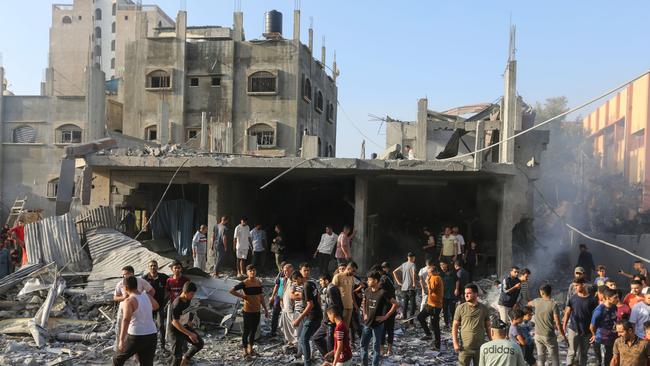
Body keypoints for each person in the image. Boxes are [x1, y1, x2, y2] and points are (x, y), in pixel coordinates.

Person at [112, 276, 160, 366]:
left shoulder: (129, 301)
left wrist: (121, 340)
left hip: (136, 335)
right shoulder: (147, 296)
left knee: (118, 358)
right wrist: (145, 310)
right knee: (147, 363)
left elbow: (126, 319)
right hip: (152, 333)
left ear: (125, 288)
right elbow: (156, 306)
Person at [360, 270, 398, 366]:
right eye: (368, 280)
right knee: (363, 345)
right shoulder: (367, 291)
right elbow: (364, 302)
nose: (368, 282)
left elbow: (395, 303)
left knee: (376, 348)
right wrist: (364, 313)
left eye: (370, 280)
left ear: (376, 281)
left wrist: (386, 316)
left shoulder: (383, 292)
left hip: (378, 325)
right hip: (367, 323)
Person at [230, 264, 268, 358]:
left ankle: (251, 349)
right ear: (247, 272)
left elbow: (261, 296)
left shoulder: (258, 282)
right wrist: (243, 296)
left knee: (254, 330)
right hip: (247, 310)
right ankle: (245, 350)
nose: (252, 272)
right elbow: (231, 290)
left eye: (254, 270)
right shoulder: (245, 282)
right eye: (250, 270)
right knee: (246, 331)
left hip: (257, 310)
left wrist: (265, 309)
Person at [113, 266, 155, 352]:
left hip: (136, 308)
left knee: (132, 330)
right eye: (123, 275)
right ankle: (119, 348)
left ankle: (134, 352)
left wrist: (146, 299)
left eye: (127, 274)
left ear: (132, 273)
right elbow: (115, 297)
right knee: (120, 328)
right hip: (123, 308)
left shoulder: (140, 281)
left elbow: (152, 291)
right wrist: (123, 297)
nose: (125, 276)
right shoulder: (120, 283)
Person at [453, 284, 492, 366]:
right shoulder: (460, 308)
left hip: (480, 348)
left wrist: (492, 341)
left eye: (469, 293)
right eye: (465, 293)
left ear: (476, 294)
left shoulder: (484, 309)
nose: (466, 295)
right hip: (465, 349)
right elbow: (455, 326)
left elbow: (488, 327)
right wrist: (455, 343)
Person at [562, 277, 598, 366]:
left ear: (583, 285)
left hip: (587, 331)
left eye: (577, 285)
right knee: (571, 352)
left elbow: (596, 317)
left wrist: (594, 332)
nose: (575, 287)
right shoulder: (573, 298)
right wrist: (564, 326)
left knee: (583, 353)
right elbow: (567, 312)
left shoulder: (592, 300)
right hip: (573, 329)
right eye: (574, 286)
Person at [529, 284, 566, 366]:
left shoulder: (537, 301)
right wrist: (563, 335)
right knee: (555, 359)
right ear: (550, 292)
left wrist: (531, 313)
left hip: (538, 335)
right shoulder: (553, 305)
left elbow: (528, 304)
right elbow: (558, 323)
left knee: (541, 358)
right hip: (549, 336)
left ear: (541, 293)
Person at [291, 270, 323, 366]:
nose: (296, 284)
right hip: (318, 314)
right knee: (316, 337)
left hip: (312, 316)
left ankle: (307, 363)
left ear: (299, 278)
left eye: (296, 281)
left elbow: (310, 305)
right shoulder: (312, 284)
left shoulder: (306, 286)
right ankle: (327, 356)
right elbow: (318, 298)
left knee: (303, 339)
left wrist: (298, 319)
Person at [170, 282, 204, 366]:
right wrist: (190, 334)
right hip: (175, 330)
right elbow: (174, 322)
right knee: (177, 357)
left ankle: (185, 359)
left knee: (199, 343)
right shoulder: (177, 304)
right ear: (185, 292)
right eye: (191, 294)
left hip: (184, 326)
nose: (192, 296)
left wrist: (189, 321)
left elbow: (188, 311)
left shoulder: (188, 299)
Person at [313, 273, 343, 358]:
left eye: (321, 281)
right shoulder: (329, 289)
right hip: (327, 321)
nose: (320, 283)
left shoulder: (331, 289)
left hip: (331, 322)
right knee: (316, 338)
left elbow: (335, 306)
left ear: (326, 280)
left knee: (331, 345)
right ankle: (328, 357)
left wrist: (332, 320)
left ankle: (331, 359)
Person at [141, 260, 169, 350]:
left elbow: (170, 286)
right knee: (147, 325)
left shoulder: (163, 277)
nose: (153, 267)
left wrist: (166, 298)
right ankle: (147, 345)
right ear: (148, 267)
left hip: (160, 305)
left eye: (154, 265)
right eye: (151, 266)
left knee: (161, 325)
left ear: (157, 267)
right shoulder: (144, 278)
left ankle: (162, 345)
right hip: (148, 306)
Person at [417, 263, 443, 349]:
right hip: (430, 304)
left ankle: (437, 345)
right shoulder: (432, 277)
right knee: (420, 317)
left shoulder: (436, 278)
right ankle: (428, 334)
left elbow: (431, 291)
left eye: (429, 273)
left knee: (435, 325)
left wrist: (427, 282)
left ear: (434, 272)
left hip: (435, 306)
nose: (428, 275)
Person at [590, 287, 619, 366]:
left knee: (610, 360)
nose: (618, 299)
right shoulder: (599, 311)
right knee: (603, 362)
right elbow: (592, 326)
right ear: (608, 298)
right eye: (615, 297)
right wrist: (594, 335)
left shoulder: (614, 307)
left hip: (612, 339)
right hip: (602, 340)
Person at [165, 261, 189, 346]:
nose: (177, 269)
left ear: (181, 269)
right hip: (173, 306)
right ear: (172, 269)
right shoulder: (169, 280)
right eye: (175, 268)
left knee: (183, 325)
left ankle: (184, 346)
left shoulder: (185, 280)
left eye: (179, 268)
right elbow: (167, 292)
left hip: (183, 306)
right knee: (174, 325)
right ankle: (174, 345)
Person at [393, 252, 417, 324]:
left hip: (404, 288)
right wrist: (414, 283)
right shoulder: (413, 264)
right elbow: (413, 273)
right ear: (413, 258)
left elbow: (394, 272)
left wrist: (399, 282)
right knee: (413, 305)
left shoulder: (404, 264)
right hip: (411, 288)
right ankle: (411, 321)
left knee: (405, 304)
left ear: (408, 257)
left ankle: (405, 320)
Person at [279, 264, 298, 350]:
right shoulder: (284, 280)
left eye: (287, 270)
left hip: (292, 308)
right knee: (285, 326)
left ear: (292, 270)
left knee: (294, 326)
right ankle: (290, 341)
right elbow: (281, 291)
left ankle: (296, 343)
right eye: (284, 271)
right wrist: (281, 299)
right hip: (285, 307)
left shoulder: (295, 281)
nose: (285, 272)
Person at [333, 261, 356, 327]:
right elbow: (332, 292)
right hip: (341, 306)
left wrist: (355, 305)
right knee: (339, 327)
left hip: (350, 306)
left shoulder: (351, 278)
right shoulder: (337, 276)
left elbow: (351, 292)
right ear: (349, 268)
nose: (354, 273)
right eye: (353, 271)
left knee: (346, 327)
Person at [269, 261, 287, 337]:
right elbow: (276, 285)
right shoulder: (280, 275)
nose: (286, 271)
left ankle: (287, 333)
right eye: (284, 269)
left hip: (287, 299)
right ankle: (273, 331)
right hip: (279, 296)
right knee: (275, 314)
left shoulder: (292, 276)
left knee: (287, 315)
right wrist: (272, 296)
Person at [440, 261, 458, 329]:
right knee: (445, 310)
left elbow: (457, 281)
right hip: (444, 295)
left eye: (443, 265)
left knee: (452, 309)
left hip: (451, 294)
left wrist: (456, 289)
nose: (442, 267)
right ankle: (446, 323)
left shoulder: (452, 272)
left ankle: (453, 323)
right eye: (441, 266)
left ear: (446, 265)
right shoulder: (440, 274)